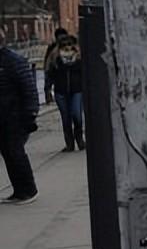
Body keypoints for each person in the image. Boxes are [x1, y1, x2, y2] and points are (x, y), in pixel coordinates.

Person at [0, 27, 40, 204]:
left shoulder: (13, 61)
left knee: (15, 152)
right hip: (3, 116)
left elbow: (28, 87)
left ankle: (29, 190)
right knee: (8, 153)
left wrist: (31, 112)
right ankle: (19, 190)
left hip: (15, 115)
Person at [47, 35, 84, 151]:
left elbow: (84, 75)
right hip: (61, 92)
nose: (67, 48)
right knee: (66, 118)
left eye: (70, 45)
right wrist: (47, 90)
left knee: (77, 116)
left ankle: (79, 139)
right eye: (64, 46)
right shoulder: (55, 59)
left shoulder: (78, 59)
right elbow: (49, 75)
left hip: (76, 90)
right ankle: (69, 144)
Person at [42, 27, 69, 105]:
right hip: (53, 70)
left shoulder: (69, 46)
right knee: (48, 84)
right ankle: (49, 98)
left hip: (63, 72)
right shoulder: (52, 47)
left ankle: (49, 98)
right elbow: (48, 60)